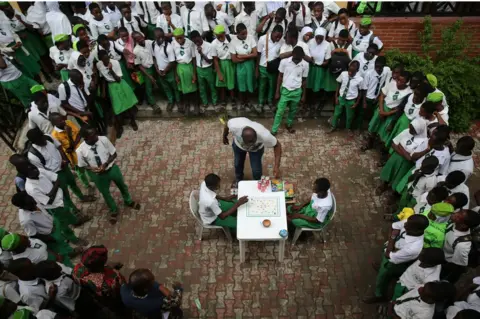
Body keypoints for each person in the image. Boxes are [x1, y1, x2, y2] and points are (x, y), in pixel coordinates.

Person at [76, 126, 140, 224]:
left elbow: (114, 154)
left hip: (111, 168)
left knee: (122, 185)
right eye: (92, 135)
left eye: (95, 133)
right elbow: (83, 165)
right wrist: (92, 168)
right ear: (86, 138)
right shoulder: (80, 151)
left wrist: (105, 164)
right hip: (97, 175)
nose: (96, 136)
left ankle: (128, 201)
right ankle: (114, 210)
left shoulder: (103, 140)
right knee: (105, 193)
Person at [363, 214, 429, 304]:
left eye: (408, 225)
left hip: (393, 263)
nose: (405, 224)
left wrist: (392, 237)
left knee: (382, 278)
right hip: (391, 253)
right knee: (383, 263)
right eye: (406, 222)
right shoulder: (410, 223)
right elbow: (394, 226)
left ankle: (379, 295)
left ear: (417, 229)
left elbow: (388, 255)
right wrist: (391, 241)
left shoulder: (413, 247)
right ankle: (383, 267)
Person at [26, 128, 95, 210]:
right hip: (55, 175)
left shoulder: (48, 137)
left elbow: (59, 147)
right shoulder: (33, 156)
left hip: (64, 167)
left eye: (43, 136)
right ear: (35, 142)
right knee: (65, 194)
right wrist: (53, 179)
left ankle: (81, 197)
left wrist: (64, 159)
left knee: (73, 183)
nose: (44, 139)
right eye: (41, 139)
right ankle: (74, 210)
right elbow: (42, 172)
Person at [12, 191, 83, 267]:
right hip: (50, 235)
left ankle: (71, 252)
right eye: (31, 205)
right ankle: (71, 268)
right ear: (23, 207)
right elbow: (33, 235)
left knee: (64, 242)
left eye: (34, 203)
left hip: (54, 224)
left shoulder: (32, 201)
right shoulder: (26, 220)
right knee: (62, 253)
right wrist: (52, 239)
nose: (35, 206)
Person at [364, 71, 412, 151]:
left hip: (392, 113)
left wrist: (387, 113)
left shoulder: (409, 92)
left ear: (407, 82)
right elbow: (382, 95)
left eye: (402, 81)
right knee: (374, 126)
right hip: (383, 107)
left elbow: (401, 108)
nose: (398, 83)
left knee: (385, 131)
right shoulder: (392, 83)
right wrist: (382, 110)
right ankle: (370, 143)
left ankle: (381, 148)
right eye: (398, 80)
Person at [223, 118, 282, 184]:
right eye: (248, 144)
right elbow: (227, 125)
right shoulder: (234, 125)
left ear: (256, 136)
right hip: (238, 146)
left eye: (253, 142)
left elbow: (277, 145)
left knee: (256, 170)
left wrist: (276, 166)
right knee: (237, 164)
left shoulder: (264, 134)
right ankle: (238, 179)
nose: (249, 147)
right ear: (241, 136)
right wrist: (224, 136)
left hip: (256, 150)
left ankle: (257, 182)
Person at [35, 260, 101, 317]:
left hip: (80, 289)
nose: (59, 265)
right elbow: (71, 305)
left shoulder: (55, 269)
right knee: (93, 312)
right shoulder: (58, 290)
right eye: (57, 266)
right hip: (79, 301)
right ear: (52, 274)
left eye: (56, 264)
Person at [73, 245, 126, 315]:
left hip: (98, 298)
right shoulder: (113, 278)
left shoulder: (77, 269)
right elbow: (123, 289)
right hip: (114, 299)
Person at [50, 113, 93, 195]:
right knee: (80, 171)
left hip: (82, 149)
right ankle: (87, 184)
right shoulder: (54, 135)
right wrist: (69, 135)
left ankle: (92, 178)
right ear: (54, 123)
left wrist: (74, 145)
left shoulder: (68, 122)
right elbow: (68, 150)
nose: (63, 121)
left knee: (88, 165)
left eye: (63, 119)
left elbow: (79, 134)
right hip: (73, 156)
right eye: (60, 121)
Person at [97, 49, 139, 130]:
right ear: (100, 59)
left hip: (120, 84)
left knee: (128, 104)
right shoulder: (99, 65)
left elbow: (119, 79)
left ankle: (133, 121)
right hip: (111, 86)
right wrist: (103, 90)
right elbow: (102, 78)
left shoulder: (115, 63)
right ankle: (119, 127)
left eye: (107, 58)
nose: (107, 60)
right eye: (104, 59)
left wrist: (111, 70)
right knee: (117, 107)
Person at [271, 46, 309, 135]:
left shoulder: (305, 64)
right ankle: (274, 130)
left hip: (297, 91)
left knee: (293, 111)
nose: (297, 61)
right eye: (296, 58)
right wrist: (277, 92)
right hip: (285, 90)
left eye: (299, 59)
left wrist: (303, 95)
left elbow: (304, 80)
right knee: (280, 111)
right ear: (292, 54)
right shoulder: (284, 62)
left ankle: (289, 125)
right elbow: (280, 77)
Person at [386, 82, 432, 149]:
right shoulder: (409, 96)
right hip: (401, 120)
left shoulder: (424, 106)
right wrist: (392, 123)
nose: (415, 96)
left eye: (418, 95)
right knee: (394, 136)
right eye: (415, 93)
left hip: (410, 127)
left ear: (424, 96)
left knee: (401, 141)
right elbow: (400, 109)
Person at [441, 209, 480, 283]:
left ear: (463, 225)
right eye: (459, 212)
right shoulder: (455, 223)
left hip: (444, 262)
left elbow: (457, 265)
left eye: (458, 216)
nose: (455, 214)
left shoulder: (462, 245)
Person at [256, 25, 284, 113]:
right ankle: (260, 103)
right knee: (262, 86)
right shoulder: (262, 39)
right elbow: (258, 54)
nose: (278, 38)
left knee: (272, 86)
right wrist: (256, 68)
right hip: (263, 66)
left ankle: (270, 102)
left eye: (280, 36)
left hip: (274, 67)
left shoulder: (281, 41)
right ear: (273, 32)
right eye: (277, 36)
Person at [329, 60, 363, 134]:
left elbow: (360, 92)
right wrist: (336, 97)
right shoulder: (343, 74)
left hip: (351, 100)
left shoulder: (360, 79)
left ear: (357, 70)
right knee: (336, 114)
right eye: (349, 70)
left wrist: (356, 103)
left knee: (349, 116)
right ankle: (333, 126)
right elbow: (338, 84)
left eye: (352, 71)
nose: (350, 73)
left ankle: (348, 128)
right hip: (341, 98)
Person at [356, 56, 390, 130]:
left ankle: (369, 129)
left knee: (372, 114)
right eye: (376, 66)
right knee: (361, 114)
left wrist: (378, 97)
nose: (377, 68)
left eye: (380, 67)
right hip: (368, 97)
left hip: (376, 98)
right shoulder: (369, 73)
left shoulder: (386, 71)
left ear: (384, 66)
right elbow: (364, 88)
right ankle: (358, 128)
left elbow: (383, 85)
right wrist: (364, 101)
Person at [229, 23, 257, 109]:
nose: (245, 35)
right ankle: (242, 102)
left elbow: (255, 54)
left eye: (246, 33)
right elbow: (234, 59)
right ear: (237, 33)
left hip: (250, 65)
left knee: (249, 83)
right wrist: (248, 57)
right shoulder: (233, 42)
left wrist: (241, 56)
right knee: (241, 84)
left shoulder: (251, 38)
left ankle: (247, 101)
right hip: (240, 65)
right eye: (242, 34)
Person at [152, 28, 179, 112]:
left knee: (175, 87)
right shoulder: (153, 45)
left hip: (169, 71)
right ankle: (171, 101)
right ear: (154, 37)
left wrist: (165, 71)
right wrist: (157, 69)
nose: (160, 39)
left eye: (162, 37)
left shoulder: (169, 47)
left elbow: (172, 62)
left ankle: (178, 101)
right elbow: (154, 58)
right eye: (158, 37)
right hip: (160, 71)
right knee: (166, 88)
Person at [132, 31, 160, 113]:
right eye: (138, 39)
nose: (141, 39)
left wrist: (157, 68)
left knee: (160, 82)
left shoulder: (149, 42)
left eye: (141, 37)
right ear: (136, 40)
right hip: (146, 69)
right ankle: (153, 103)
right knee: (149, 87)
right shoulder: (136, 51)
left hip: (155, 65)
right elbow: (139, 65)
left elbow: (154, 54)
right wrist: (149, 76)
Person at [306, 27, 331, 117]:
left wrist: (321, 63)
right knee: (308, 85)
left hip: (319, 68)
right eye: (317, 38)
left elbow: (327, 60)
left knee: (316, 87)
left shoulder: (327, 45)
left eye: (321, 38)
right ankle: (307, 103)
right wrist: (310, 59)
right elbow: (307, 53)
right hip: (310, 66)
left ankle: (313, 104)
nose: (319, 40)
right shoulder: (310, 42)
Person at [172, 28, 197, 114]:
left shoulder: (190, 43)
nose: (179, 40)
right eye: (177, 38)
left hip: (189, 66)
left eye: (180, 37)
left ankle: (196, 104)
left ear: (183, 35)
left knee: (193, 87)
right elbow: (174, 61)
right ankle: (187, 104)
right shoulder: (173, 44)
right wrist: (176, 75)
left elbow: (194, 59)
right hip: (180, 67)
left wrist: (194, 73)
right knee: (183, 89)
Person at [191, 30, 218, 109]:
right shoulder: (194, 46)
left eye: (197, 40)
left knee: (212, 86)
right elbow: (194, 59)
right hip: (199, 69)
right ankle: (205, 102)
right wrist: (195, 72)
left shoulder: (209, 46)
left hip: (208, 68)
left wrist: (201, 53)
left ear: (199, 36)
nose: (196, 43)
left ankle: (215, 101)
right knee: (202, 88)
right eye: (194, 42)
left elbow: (210, 60)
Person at [211, 25, 235, 109]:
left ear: (225, 33)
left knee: (231, 82)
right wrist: (219, 73)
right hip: (221, 64)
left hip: (230, 63)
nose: (220, 38)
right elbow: (215, 60)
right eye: (217, 36)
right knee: (222, 83)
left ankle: (232, 99)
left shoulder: (230, 38)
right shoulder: (214, 44)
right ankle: (223, 100)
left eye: (221, 36)